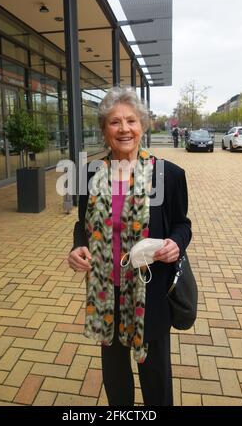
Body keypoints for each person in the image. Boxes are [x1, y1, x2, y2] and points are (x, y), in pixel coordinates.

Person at [68, 86, 191, 406]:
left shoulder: (168, 175)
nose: (124, 129)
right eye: (114, 122)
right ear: (104, 129)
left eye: (131, 121)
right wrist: (78, 247)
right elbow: (83, 224)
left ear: (143, 126)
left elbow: (182, 224)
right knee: (115, 377)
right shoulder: (90, 175)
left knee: (156, 377)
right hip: (105, 294)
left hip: (151, 294)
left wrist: (175, 244)